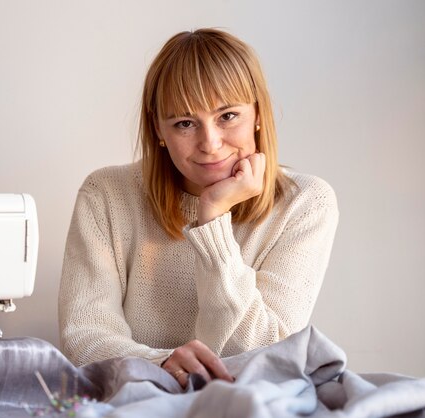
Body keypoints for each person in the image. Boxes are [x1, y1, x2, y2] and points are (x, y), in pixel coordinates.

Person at [58, 28, 339, 387]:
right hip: (136, 402)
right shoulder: (106, 194)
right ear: (158, 129)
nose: (210, 143)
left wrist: (213, 218)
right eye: (185, 123)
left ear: (257, 113)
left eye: (228, 116)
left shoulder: (306, 203)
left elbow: (264, 355)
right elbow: (84, 335)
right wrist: (160, 364)